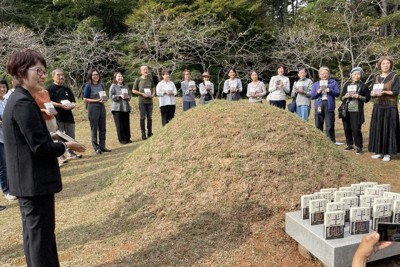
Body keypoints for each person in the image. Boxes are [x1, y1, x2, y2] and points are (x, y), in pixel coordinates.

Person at [3, 48, 85, 267]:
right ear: (20, 72)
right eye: (38, 70)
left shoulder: (20, 99)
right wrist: (67, 144)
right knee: (41, 237)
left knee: (34, 235)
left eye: (44, 71)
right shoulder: (23, 102)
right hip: (34, 181)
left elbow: (29, 139)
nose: (43, 75)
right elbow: (40, 148)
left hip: (27, 180)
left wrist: (52, 138)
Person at [368, 56, 400, 162]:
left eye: (387, 63)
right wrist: (372, 93)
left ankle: (387, 153)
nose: (385, 65)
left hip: (390, 107)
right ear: (380, 65)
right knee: (379, 129)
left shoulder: (395, 77)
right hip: (378, 106)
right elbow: (372, 91)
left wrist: (384, 92)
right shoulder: (376, 77)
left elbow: (395, 92)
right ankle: (379, 152)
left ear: (390, 65)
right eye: (383, 63)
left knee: (389, 129)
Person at [47, 68, 81, 159]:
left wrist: (72, 106)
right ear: (53, 77)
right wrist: (60, 105)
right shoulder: (50, 88)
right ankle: (60, 155)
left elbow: (73, 102)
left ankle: (71, 153)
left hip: (69, 116)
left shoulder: (67, 88)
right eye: (58, 75)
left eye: (62, 75)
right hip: (57, 117)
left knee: (71, 135)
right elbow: (48, 101)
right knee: (59, 136)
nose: (61, 77)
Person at [340, 67, 371, 155]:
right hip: (346, 110)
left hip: (357, 110)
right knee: (347, 128)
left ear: (361, 75)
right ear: (351, 75)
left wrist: (359, 97)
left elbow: (367, 98)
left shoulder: (363, 86)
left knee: (356, 129)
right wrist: (345, 96)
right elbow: (341, 98)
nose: (356, 76)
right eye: (354, 74)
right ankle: (350, 144)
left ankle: (359, 146)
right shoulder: (347, 85)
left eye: (358, 74)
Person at [83, 69, 111, 154]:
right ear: (90, 76)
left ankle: (102, 146)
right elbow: (85, 99)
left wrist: (105, 99)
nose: (96, 76)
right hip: (93, 108)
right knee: (94, 128)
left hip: (101, 107)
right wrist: (97, 100)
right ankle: (96, 147)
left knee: (103, 128)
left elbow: (104, 95)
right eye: (94, 75)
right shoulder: (88, 86)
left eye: (97, 74)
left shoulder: (101, 85)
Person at [311, 66, 340, 143]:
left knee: (329, 124)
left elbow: (337, 93)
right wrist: (317, 92)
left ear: (329, 74)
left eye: (326, 73)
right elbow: (312, 96)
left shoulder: (333, 82)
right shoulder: (316, 84)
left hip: (329, 104)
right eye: (322, 73)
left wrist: (330, 90)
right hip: (319, 104)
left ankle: (331, 141)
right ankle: (319, 141)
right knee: (318, 123)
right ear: (319, 75)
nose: (324, 75)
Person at [0, 79, 16, 202]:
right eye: (0, 87)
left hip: (9, 137)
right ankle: (6, 190)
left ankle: (13, 187)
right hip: (0, 139)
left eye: (4, 87)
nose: (2, 89)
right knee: (3, 166)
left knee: (11, 163)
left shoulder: (6, 101)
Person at [132, 65, 155, 140]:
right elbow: (133, 90)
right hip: (142, 101)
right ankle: (143, 134)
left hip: (150, 101)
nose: (146, 71)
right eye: (144, 69)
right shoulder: (138, 80)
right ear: (141, 71)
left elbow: (153, 88)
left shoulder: (150, 79)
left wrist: (153, 94)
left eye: (147, 69)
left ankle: (150, 132)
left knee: (150, 117)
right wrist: (142, 94)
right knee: (142, 117)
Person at [109, 72, 131, 144]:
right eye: (118, 76)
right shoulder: (113, 86)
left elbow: (130, 95)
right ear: (115, 78)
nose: (120, 78)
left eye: (121, 76)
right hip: (117, 108)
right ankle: (122, 139)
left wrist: (128, 97)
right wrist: (119, 96)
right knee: (119, 124)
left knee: (126, 123)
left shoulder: (126, 86)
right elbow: (111, 96)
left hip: (126, 107)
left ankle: (128, 138)